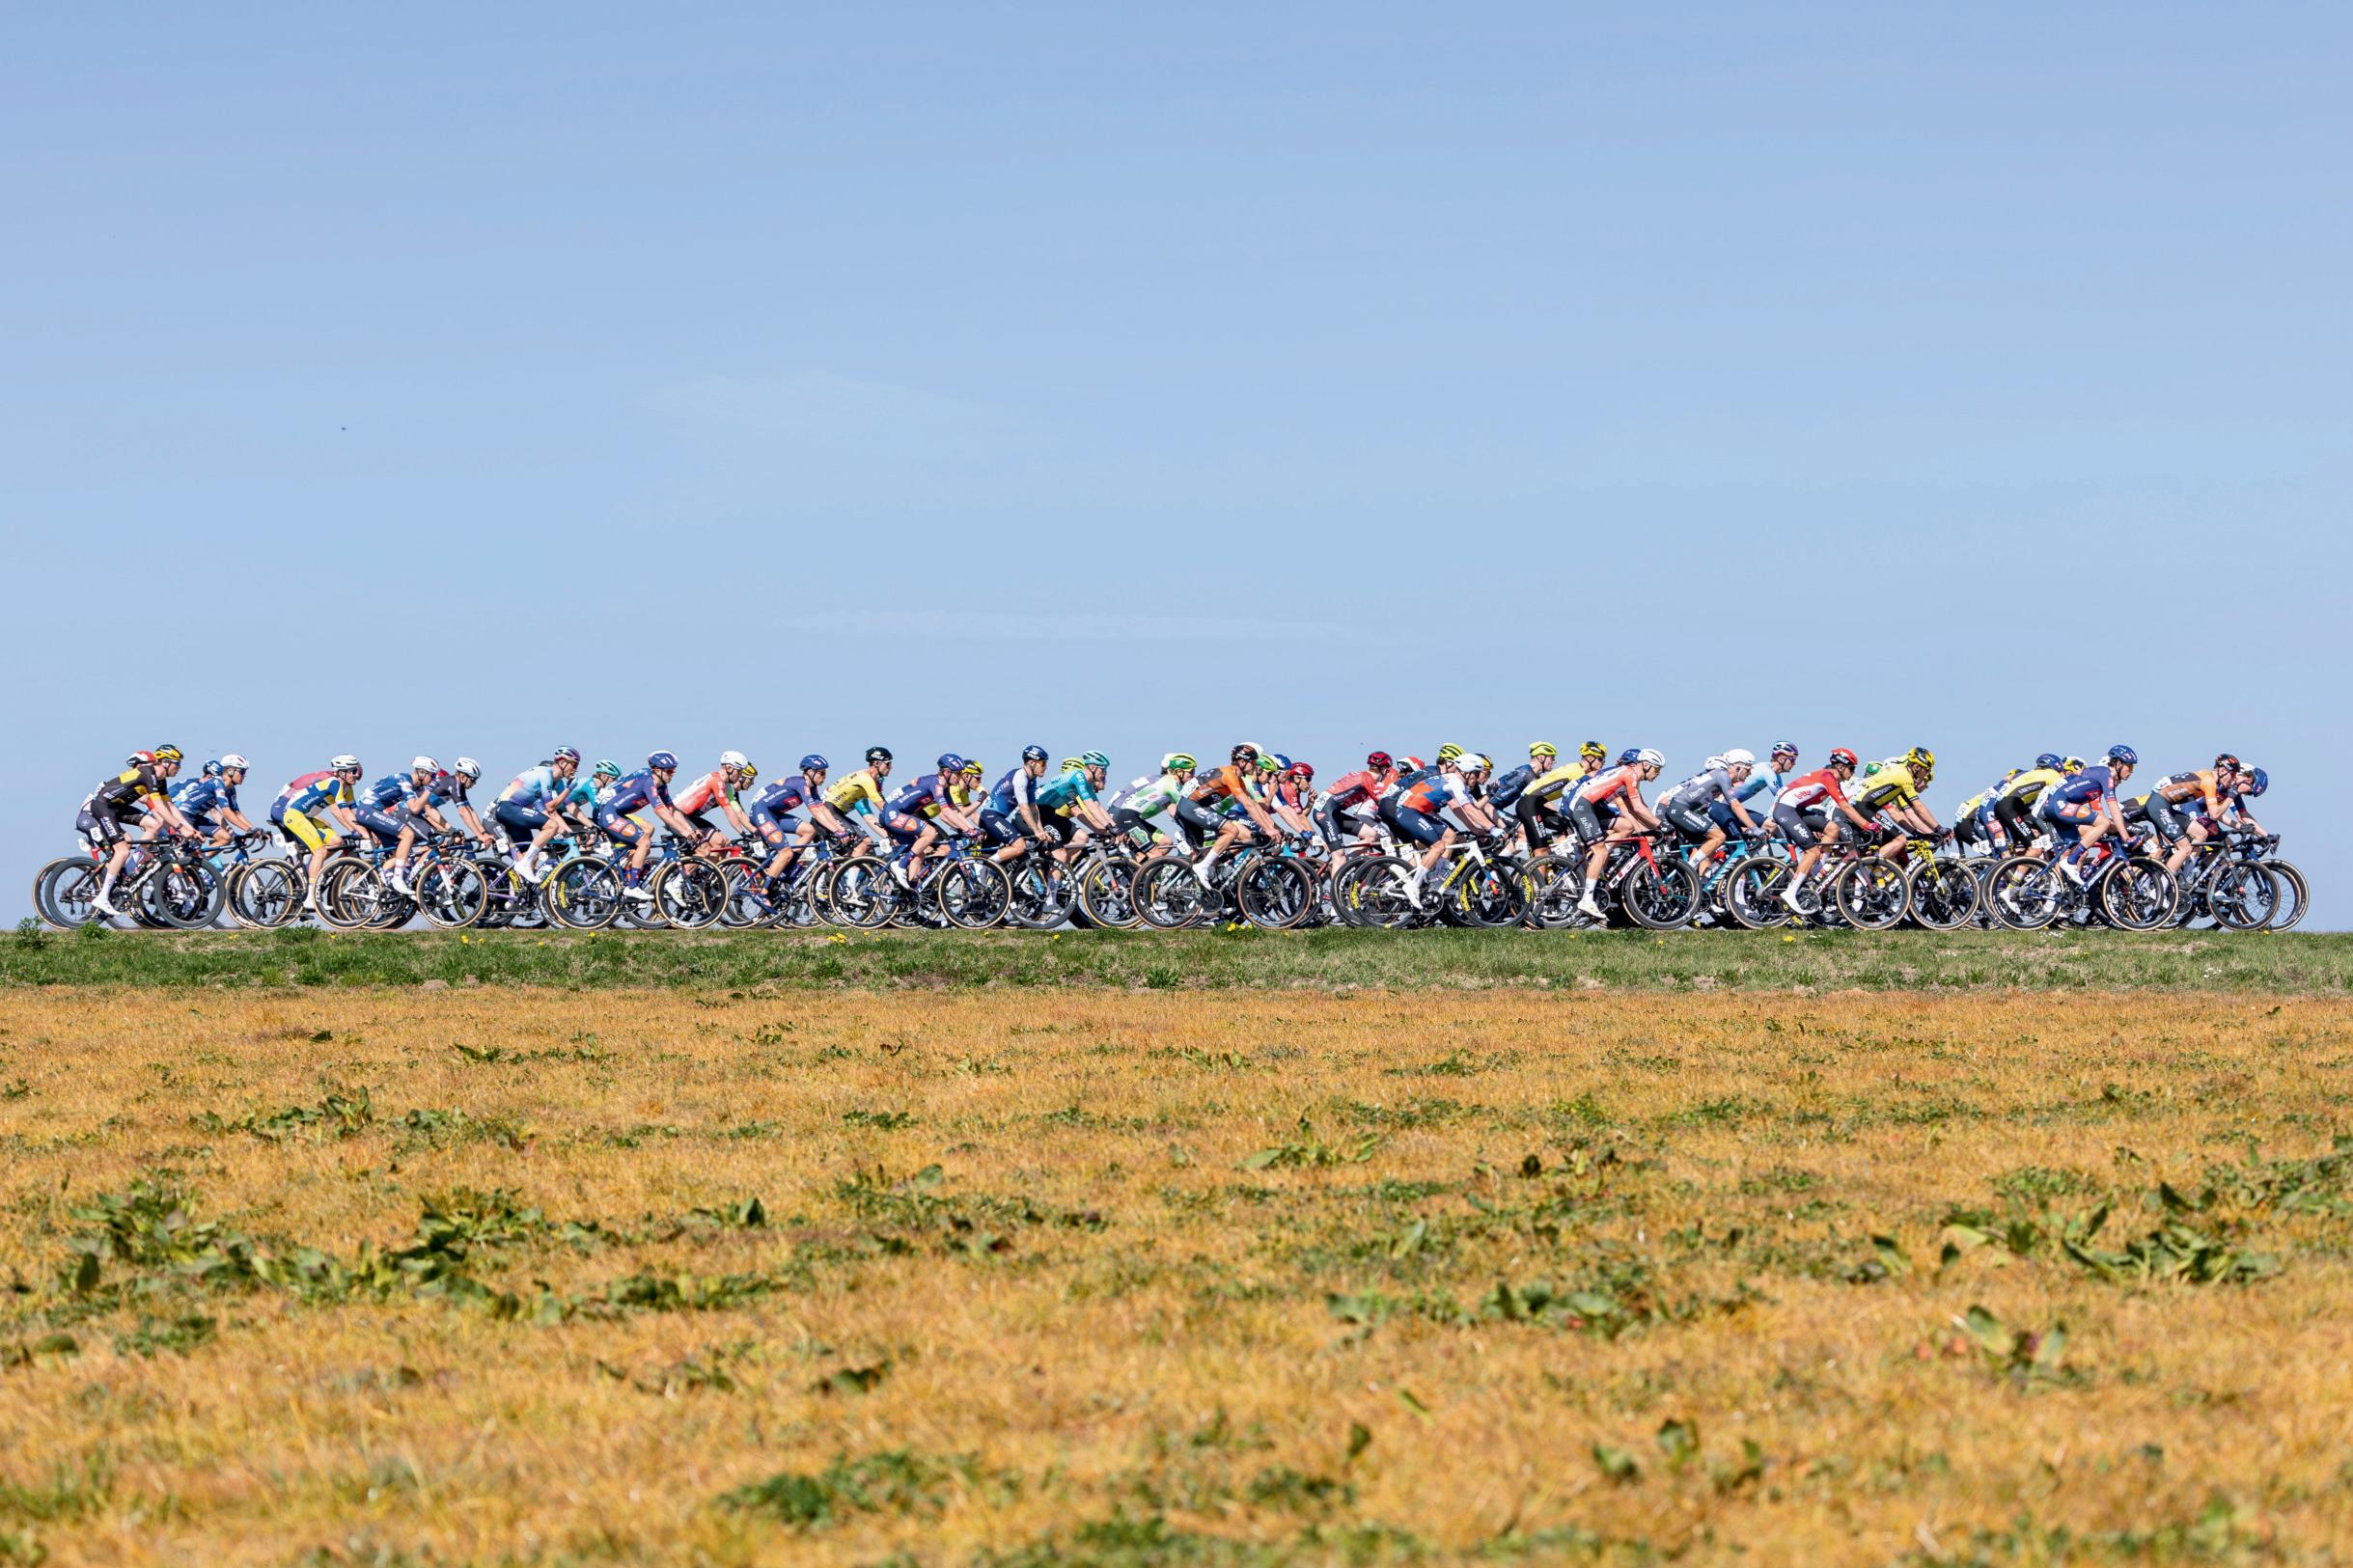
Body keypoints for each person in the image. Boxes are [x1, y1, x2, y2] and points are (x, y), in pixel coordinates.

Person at [80, 747, 195, 918]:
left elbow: (170, 806)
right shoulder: (148, 773)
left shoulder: (160, 779)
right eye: (177, 764)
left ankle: (130, 867)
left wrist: (190, 829)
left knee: (155, 825)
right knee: (122, 850)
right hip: (103, 806)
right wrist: (180, 828)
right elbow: (159, 807)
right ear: (165, 762)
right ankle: (102, 897)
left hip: (117, 807)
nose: (179, 767)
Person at [595, 752, 709, 902]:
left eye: (673, 771)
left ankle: (624, 870)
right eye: (669, 771)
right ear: (657, 770)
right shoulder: (648, 781)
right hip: (609, 814)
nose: (672, 774)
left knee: (647, 834)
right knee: (644, 842)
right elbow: (661, 812)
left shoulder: (662, 787)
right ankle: (632, 887)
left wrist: (690, 830)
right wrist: (684, 832)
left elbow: (672, 810)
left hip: (619, 814)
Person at [1772, 748, 1877, 912]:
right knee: (1812, 852)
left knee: (1832, 829)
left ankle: (1816, 872)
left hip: (1796, 811)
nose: (1853, 772)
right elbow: (1845, 807)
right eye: (1851, 768)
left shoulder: (1831, 780)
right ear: (1841, 767)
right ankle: (1790, 893)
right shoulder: (1827, 777)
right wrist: (1868, 825)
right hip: (1786, 810)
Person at [1392, 754, 1500, 905]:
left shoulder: (1458, 782)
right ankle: (1413, 885)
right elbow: (1468, 809)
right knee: (1438, 846)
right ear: (1466, 772)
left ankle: (1437, 879)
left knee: (1450, 836)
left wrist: (1476, 829)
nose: (1476, 778)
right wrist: (1493, 828)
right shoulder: (1456, 782)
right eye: (1475, 774)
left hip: (1415, 811)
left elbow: (1470, 808)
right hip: (1408, 811)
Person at [1571, 749, 1666, 920]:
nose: (1658, 774)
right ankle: (1586, 899)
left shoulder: (1630, 776)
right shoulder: (1630, 774)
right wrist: (1662, 826)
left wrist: (1650, 830)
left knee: (1626, 826)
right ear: (1645, 765)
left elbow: (1634, 810)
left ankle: (1599, 856)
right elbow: (1638, 808)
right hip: (1583, 806)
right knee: (1600, 852)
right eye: (1657, 769)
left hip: (1593, 806)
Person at [271, 755, 366, 912]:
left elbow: (354, 812)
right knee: (319, 851)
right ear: (342, 772)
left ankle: (310, 869)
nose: (356, 776)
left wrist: (368, 830)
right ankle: (311, 897)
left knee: (337, 841)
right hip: (292, 814)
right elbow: (342, 812)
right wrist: (359, 831)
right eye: (353, 772)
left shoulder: (348, 788)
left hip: (305, 816)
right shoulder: (334, 783)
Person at [1180, 744, 1283, 881]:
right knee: (1232, 830)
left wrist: (1269, 828)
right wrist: (1268, 829)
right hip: (1188, 806)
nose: (1254, 767)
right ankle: (1203, 866)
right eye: (1252, 763)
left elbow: (1253, 804)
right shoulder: (1229, 775)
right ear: (1242, 762)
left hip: (1199, 808)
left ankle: (1213, 872)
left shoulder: (1239, 779)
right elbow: (1247, 805)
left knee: (1247, 836)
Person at [2038, 745, 2139, 885]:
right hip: (2059, 804)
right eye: (2130, 766)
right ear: (2118, 764)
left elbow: (2078, 779)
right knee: (2103, 823)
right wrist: (2126, 837)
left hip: (2054, 805)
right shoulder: (2106, 775)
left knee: (2076, 851)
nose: (2131, 771)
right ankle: (2070, 862)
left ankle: (2057, 892)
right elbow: (2114, 809)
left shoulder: (2100, 775)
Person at [1657, 750, 1765, 867]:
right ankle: (1689, 868)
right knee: (1719, 836)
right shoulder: (1723, 775)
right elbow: (1736, 805)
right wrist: (1755, 828)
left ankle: (1698, 875)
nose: (1750, 773)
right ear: (1738, 768)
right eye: (1748, 769)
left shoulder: (1720, 776)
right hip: (1679, 809)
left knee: (1709, 845)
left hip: (1679, 809)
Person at [497, 748, 584, 877]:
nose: (576, 769)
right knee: (552, 826)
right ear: (562, 762)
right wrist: (569, 789)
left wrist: (590, 826)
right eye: (574, 765)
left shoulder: (557, 782)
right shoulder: (545, 774)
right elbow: (550, 808)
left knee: (534, 857)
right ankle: (523, 864)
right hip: (508, 808)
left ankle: (522, 888)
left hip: (516, 811)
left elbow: (570, 806)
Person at [751, 756, 830, 882]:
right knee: (786, 853)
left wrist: (840, 829)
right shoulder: (801, 784)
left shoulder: (812, 788)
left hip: (774, 815)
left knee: (809, 830)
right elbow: (815, 811)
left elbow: (823, 809)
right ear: (810, 772)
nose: (824, 777)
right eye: (822, 773)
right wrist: (837, 831)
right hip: (761, 813)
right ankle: (764, 890)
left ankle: (787, 868)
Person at [1108, 755, 1196, 859]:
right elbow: (1182, 809)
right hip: (1125, 816)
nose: (1193, 776)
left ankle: (1142, 868)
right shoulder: (1170, 784)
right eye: (1191, 772)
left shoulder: (1158, 779)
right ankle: (1142, 868)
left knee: (1166, 842)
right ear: (1179, 772)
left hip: (1127, 815)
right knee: (1155, 855)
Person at [820, 747, 898, 856]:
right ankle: (848, 866)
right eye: (888, 764)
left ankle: (850, 865)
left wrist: (889, 834)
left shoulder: (874, 781)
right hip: (829, 810)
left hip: (836, 812)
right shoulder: (866, 780)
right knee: (862, 845)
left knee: (867, 843)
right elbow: (876, 811)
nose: (891, 767)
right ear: (876, 763)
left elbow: (883, 808)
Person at [674, 753, 759, 848]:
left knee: (724, 843)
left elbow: (739, 812)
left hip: (690, 817)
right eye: (739, 772)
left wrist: (756, 832)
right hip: (678, 814)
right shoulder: (717, 781)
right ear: (729, 768)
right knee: (706, 848)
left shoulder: (728, 788)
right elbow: (728, 810)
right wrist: (743, 833)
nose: (739, 776)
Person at [171, 755, 255, 847]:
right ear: (230, 771)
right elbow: (226, 813)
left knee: (226, 838)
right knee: (193, 847)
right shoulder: (215, 783)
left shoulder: (230, 789)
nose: (244, 775)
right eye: (242, 771)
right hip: (183, 815)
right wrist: (247, 829)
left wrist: (253, 830)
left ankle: (203, 857)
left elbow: (235, 813)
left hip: (197, 817)